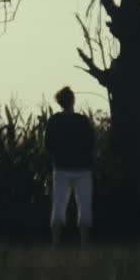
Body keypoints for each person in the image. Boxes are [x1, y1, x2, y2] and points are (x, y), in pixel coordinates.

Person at [44, 86, 96, 245]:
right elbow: (91, 144)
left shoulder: (53, 121)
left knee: (58, 206)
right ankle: (85, 244)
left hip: (61, 169)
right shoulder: (82, 121)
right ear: (73, 100)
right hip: (82, 169)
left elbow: (48, 146)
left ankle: (56, 243)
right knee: (84, 206)